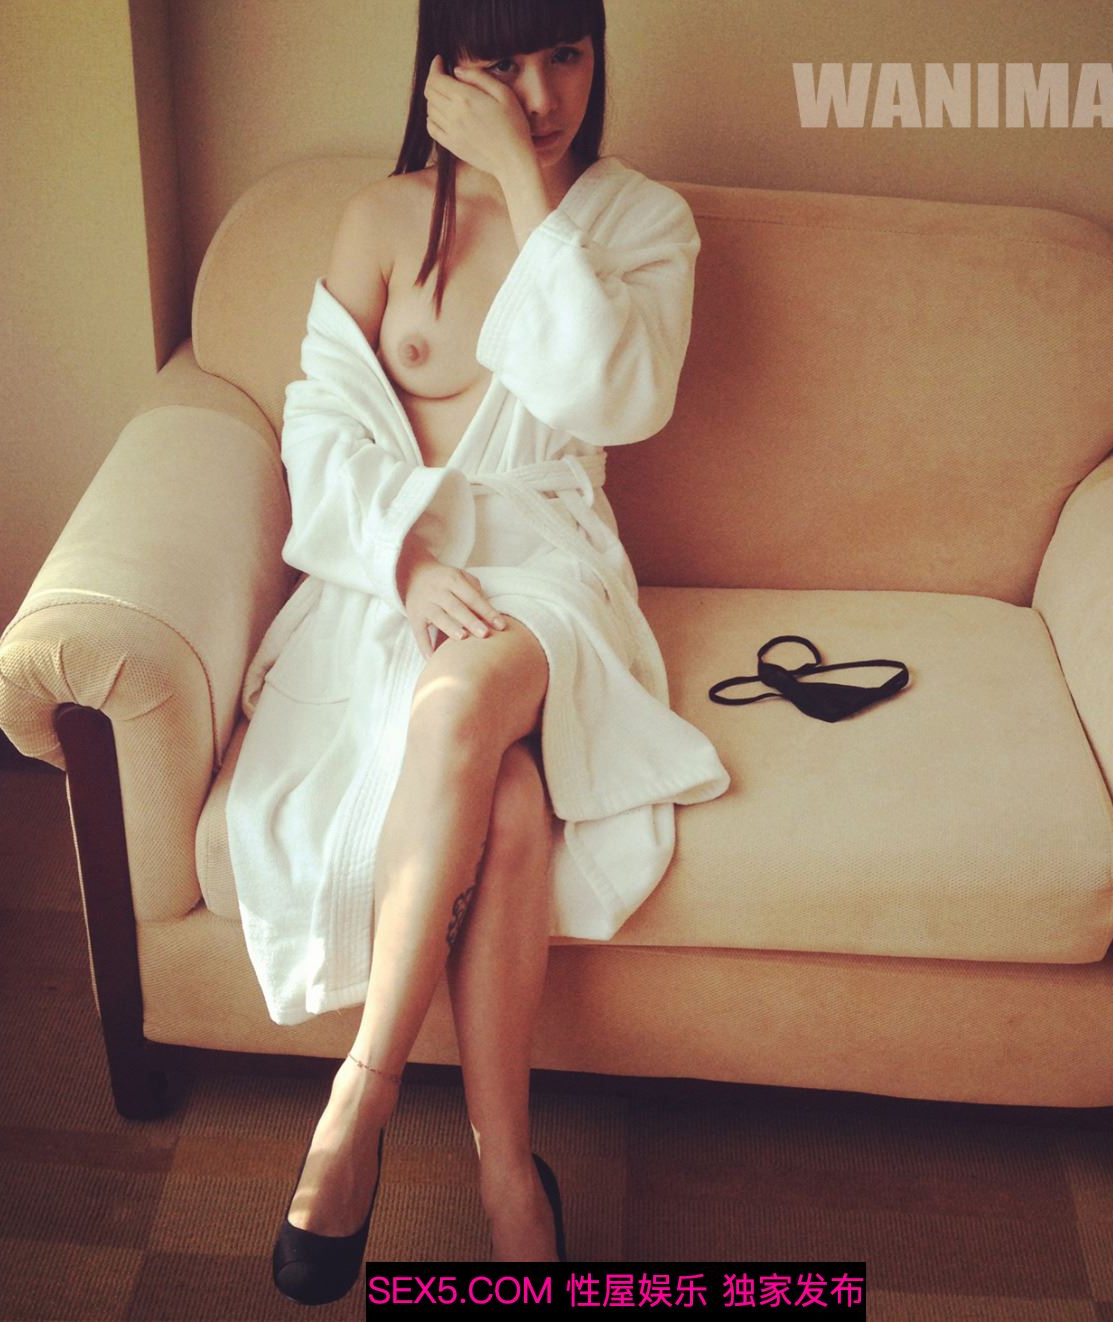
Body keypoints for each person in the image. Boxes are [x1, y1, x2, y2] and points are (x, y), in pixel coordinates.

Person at [249, 0, 730, 1302]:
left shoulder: (642, 222)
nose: (540, 93)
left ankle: (359, 1099)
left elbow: (617, 395)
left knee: (462, 698)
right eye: (501, 63)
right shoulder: (379, 222)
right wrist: (406, 563)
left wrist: (524, 180)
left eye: (565, 53)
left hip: (553, 569)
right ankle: (511, 1173)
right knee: (506, 806)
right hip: (394, 572)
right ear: (442, 69)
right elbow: (320, 432)